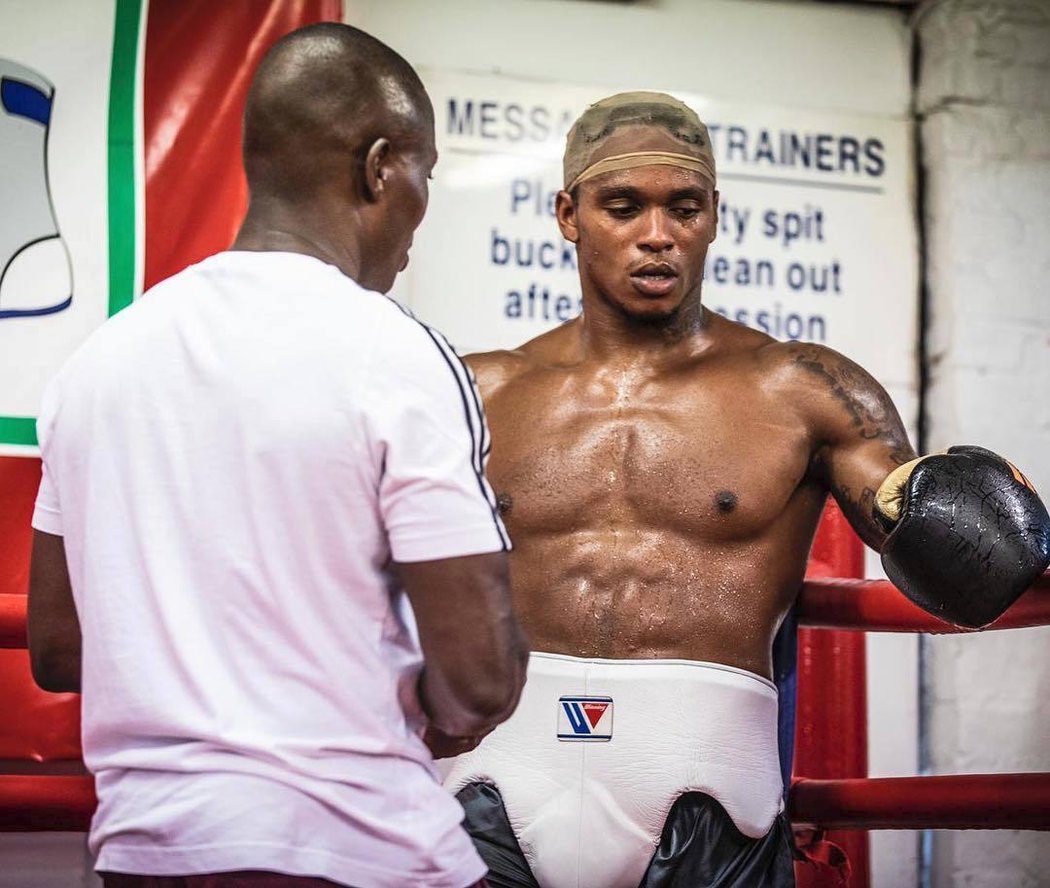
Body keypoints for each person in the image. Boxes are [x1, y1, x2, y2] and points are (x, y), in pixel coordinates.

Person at [440, 92, 1050, 888]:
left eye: (683, 208)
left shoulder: (804, 389)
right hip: (495, 778)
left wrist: (967, 510)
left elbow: (925, 528)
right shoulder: (478, 391)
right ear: (568, 213)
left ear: (715, 216)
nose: (657, 236)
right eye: (623, 207)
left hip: (712, 789)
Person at [27, 23, 527, 888]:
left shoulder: (96, 364)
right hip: (360, 850)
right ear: (379, 167)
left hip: (146, 853)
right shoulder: (397, 355)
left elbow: (59, 649)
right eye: (424, 173)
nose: (420, 205)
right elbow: (479, 682)